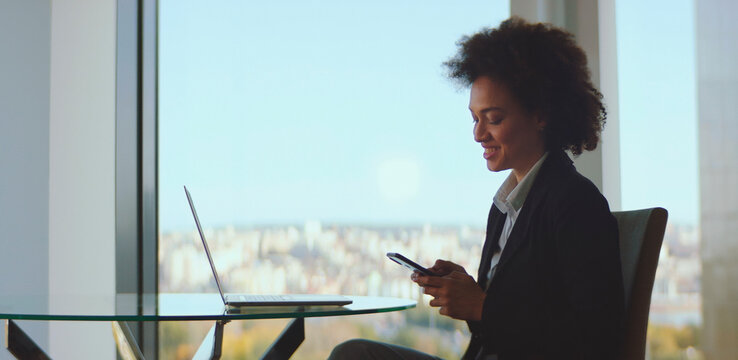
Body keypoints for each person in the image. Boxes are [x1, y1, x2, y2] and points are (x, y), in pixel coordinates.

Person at [329, 17, 624, 360]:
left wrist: (483, 306)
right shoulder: (507, 206)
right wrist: (471, 292)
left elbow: (596, 340)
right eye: (475, 118)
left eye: (494, 118)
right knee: (355, 353)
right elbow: (508, 322)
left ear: (540, 114)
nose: (478, 134)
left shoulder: (575, 203)